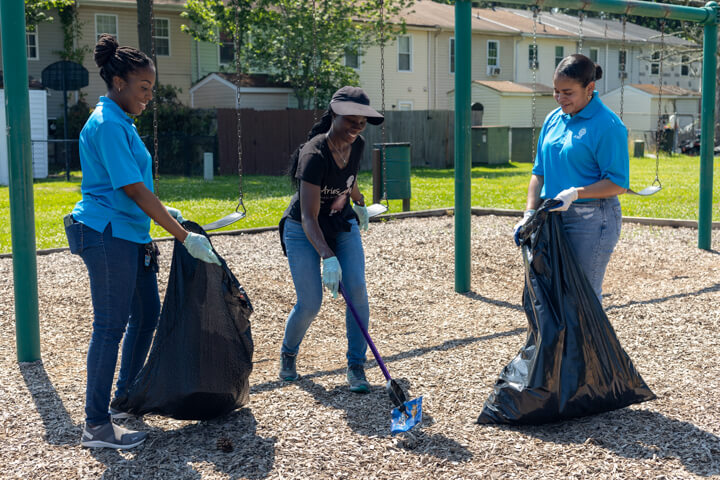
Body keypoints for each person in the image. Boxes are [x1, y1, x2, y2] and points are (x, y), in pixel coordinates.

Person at [65, 34, 220, 449]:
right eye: (143, 88)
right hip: (105, 234)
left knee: (147, 314)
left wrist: (168, 218)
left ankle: (123, 400)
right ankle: (96, 424)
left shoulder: (122, 123)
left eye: (151, 89)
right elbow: (132, 189)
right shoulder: (107, 124)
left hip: (127, 234)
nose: (149, 96)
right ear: (118, 82)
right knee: (110, 326)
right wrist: (182, 236)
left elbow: (136, 190)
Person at [277, 86, 383, 393]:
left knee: (358, 288)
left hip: (341, 224)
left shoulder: (357, 144)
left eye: (362, 122)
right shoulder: (313, 154)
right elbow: (310, 217)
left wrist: (360, 203)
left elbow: (348, 180)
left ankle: (356, 365)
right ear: (335, 114)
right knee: (310, 302)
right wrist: (328, 257)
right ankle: (288, 352)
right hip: (303, 229)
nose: (356, 127)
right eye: (351, 120)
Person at [514, 54, 629, 304]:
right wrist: (529, 213)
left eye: (568, 92)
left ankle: (589, 345)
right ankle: (556, 345)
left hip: (592, 219)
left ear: (590, 88)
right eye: (556, 92)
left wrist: (575, 193)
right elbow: (539, 172)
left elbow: (618, 183)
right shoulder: (553, 119)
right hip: (551, 216)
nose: (560, 98)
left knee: (581, 296)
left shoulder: (608, 126)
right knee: (548, 292)